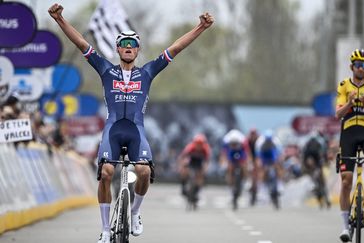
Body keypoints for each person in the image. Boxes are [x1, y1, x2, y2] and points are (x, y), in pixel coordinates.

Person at [48, 4, 214, 243]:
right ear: (117, 49)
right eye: (123, 45)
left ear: (137, 50)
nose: (128, 48)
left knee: (144, 171)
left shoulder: (147, 72)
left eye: (132, 44)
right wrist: (59, 20)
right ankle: (105, 229)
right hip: (113, 129)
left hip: (136, 131)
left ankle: (135, 213)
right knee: (106, 173)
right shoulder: (106, 70)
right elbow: (81, 44)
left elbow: (176, 48)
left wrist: (200, 27)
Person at [335, 49, 364, 242]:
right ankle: (346, 228)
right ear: (351, 67)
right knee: (346, 181)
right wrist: (349, 102)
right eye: (357, 65)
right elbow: (338, 114)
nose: (360, 68)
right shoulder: (344, 85)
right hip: (348, 133)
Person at [219, 129, 251, 210]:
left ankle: (246, 179)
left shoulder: (243, 141)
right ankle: (230, 181)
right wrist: (224, 163)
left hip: (241, 151)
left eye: (235, 144)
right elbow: (223, 154)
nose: (234, 145)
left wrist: (248, 163)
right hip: (231, 153)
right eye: (232, 144)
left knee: (243, 165)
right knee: (230, 166)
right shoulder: (226, 141)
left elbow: (247, 154)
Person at [177, 133, 211, 206]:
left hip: (199, 162)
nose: (199, 146)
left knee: (200, 175)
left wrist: (205, 169)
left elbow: (207, 161)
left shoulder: (206, 149)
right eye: (197, 144)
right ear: (194, 143)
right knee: (184, 171)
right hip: (191, 161)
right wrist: (181, 167)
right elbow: (182, 157)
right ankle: (183, 186)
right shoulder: (190, 147)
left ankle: (196, 191)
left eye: (200, 144)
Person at [255, 130, 284, 209]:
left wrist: (279, 160)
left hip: (272, 153)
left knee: (278, 166)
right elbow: (258, 154)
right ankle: (262, 189)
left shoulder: (276, 141)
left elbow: (280, 152)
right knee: (262, 170)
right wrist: (259, 162)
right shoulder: (259, 141)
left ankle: (280, 184)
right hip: (263, 154)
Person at [302, 130, 331, 209]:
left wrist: (305, 167)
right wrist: (326, 162)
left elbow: (304, 156)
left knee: (315, 180)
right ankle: (326, 199)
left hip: (312, 162)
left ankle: (315, 187)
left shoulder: (308, 143)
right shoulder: (320, 142)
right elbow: (324, 154)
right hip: (317, 161)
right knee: (322, 182)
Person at [246, 128, 260, 206]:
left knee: (257, 172)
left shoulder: (259, 141)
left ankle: (257, 185)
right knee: (249, 168)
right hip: (249, 157)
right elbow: (246, 152)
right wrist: (249, 161)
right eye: (252, 134)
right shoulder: (247, 141)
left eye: (254, 134)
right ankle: (249, 181)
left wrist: (258, 161)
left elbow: (260, 152)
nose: (253, 136)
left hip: (258, 157)